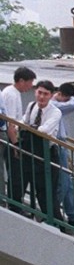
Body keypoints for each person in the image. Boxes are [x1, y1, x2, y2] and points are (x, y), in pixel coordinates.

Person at [18, 80, 62, 218]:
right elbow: (23, 121)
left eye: (46, 94)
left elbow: (44, 130)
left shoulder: (55, 112)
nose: (41, 97)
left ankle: (57, 223)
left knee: (47, 192)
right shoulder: (31, 106)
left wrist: (28, 127)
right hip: (31, 151)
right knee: (32, 186)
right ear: (35, 92)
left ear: (51, 95)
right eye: (39, 93)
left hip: (48, 154)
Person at [2, 66, 35, 206]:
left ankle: (16, 203)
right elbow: (10, 121)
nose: (31, 86)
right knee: (16, 173)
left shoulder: (14, 93)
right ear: (21, 81)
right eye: (30, 82)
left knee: (18, 173)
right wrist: (15, 144)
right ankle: (14, 205)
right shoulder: (11, 94)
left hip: (13, 134)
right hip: (10, 136)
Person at [52, 83, 74, 224]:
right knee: (63, 181)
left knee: (68, 182)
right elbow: (72, 105)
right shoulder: (54, 105)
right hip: (57, 144)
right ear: (62, 95)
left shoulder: (56, 104)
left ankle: (72, 216)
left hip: (62, 144)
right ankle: (54, 210)